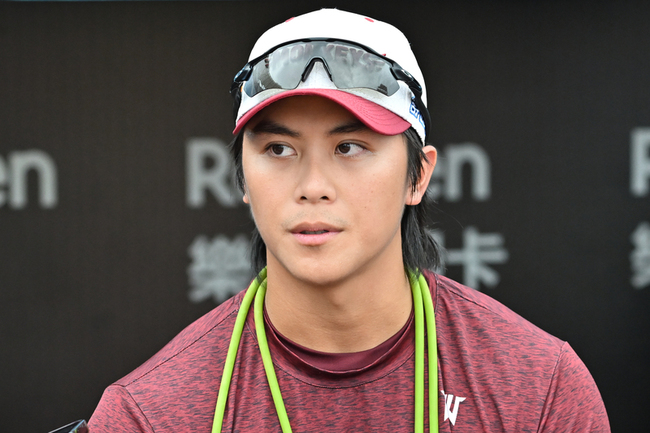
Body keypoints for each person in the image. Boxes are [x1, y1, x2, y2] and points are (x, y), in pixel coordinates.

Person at [89, 8, 610, 432]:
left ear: (418, 176)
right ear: (242, 178)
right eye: (278, 149)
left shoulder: (540, 388)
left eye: (350, 147)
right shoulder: (148, 414)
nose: (313, 186)